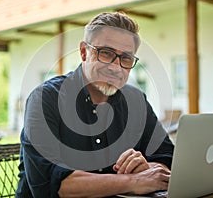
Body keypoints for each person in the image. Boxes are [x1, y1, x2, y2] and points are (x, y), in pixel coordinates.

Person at [16, 12, 174, 198]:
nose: (116, 67)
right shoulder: (44, 99)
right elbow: (53, 186)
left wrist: (149, 168)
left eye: (126, 58)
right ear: (84, 52)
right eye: (106, 53)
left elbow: (168, 159)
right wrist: (134, 181)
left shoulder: (136, 101)